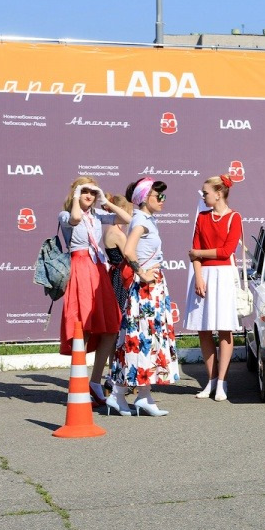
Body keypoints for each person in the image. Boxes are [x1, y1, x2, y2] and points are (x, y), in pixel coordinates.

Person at [58, 178, 132, 407]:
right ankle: (78, 384)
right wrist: (77, 195)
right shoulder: (65, 214)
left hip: (99, 271)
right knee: (84, 329)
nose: (89, 195)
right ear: (76, 192)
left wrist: (104, 201)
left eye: (92, 191)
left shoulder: (98, 214)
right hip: (80, 270)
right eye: (85, 191)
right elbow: (75, 218)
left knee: (111, 326)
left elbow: (127, 219)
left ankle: (95, 382)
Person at [110, 177, 178, 416]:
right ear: (144, 198)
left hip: (153, 287)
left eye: (163, 195)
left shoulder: (145, 218)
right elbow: (128, 250)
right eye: (158, 196)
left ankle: (137, 395)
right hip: (146, 288)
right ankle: (129, 396)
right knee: (142, 339)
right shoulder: (142, 220)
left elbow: (131, 220)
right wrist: (142, 272)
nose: (162, 200)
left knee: (143, 339)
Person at [185, 174, 242, 402]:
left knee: (225, 329)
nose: (203, 195)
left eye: (206, 192)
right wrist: (198, 276)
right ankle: (210, 381)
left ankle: (222, 382)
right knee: (204, 329)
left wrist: (199, 254)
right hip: (204, 275)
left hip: (224, 275)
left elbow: (226, 251)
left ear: (218, 194)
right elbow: (194, 249)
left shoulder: (234, 217)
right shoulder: (202, 217)